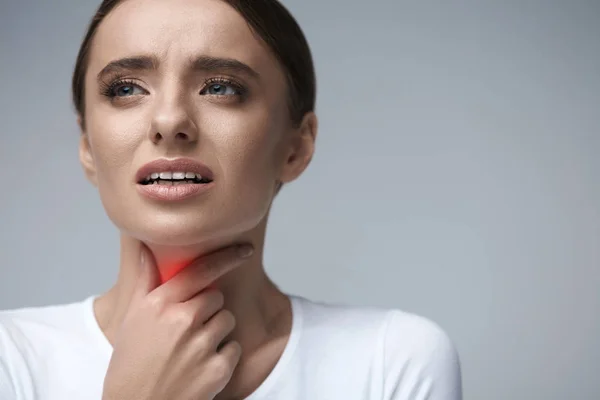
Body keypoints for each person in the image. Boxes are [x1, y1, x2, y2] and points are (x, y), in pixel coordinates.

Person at [0, 0, 462, 399]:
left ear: (296, 148)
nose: (169, 120)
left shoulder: (392, 363)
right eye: (126, 89)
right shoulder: (12, 361)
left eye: (220, 87)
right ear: (87, 147)